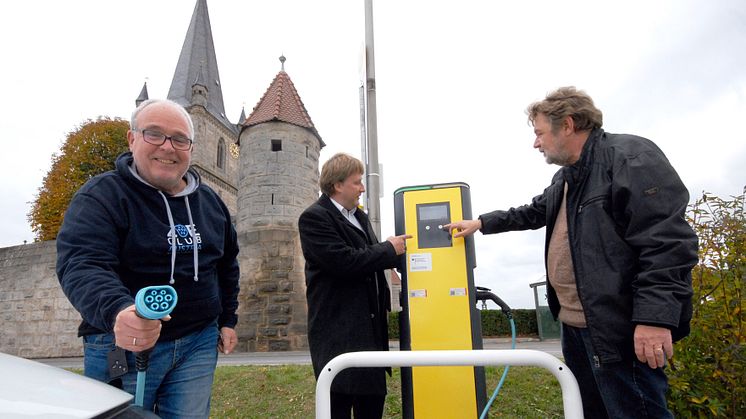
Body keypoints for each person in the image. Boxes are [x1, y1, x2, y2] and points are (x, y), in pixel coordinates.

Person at [446, 87, 698, 418]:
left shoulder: (629, 157)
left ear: (567, 125)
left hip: (618, 327)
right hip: (576, 327)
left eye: (539, 133)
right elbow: (533, 211)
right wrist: (481, 222)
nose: (536, 143)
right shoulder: (566, 178)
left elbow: (666, 244)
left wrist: (653, 319)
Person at [56, 98, 240, 418]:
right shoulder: (102, 195)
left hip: (198, 342)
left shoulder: (211, 202)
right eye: (154, 134)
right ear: (132, 139)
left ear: (191, 148)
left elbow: (226, 265)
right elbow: (82, 263)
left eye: (180, 139)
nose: (168, 147)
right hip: (121, 345)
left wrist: (227, 320)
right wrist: (118, 309)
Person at [298, 153, 411, 419]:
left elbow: (367, 258)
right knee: (337, 408)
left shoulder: (360, 217)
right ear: (338, 185)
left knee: (371, 409)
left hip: (370, 337)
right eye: (357, 182)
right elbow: (342, 261)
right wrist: (387, 249)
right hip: (338, 338)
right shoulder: (314, 218)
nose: (362, 188)